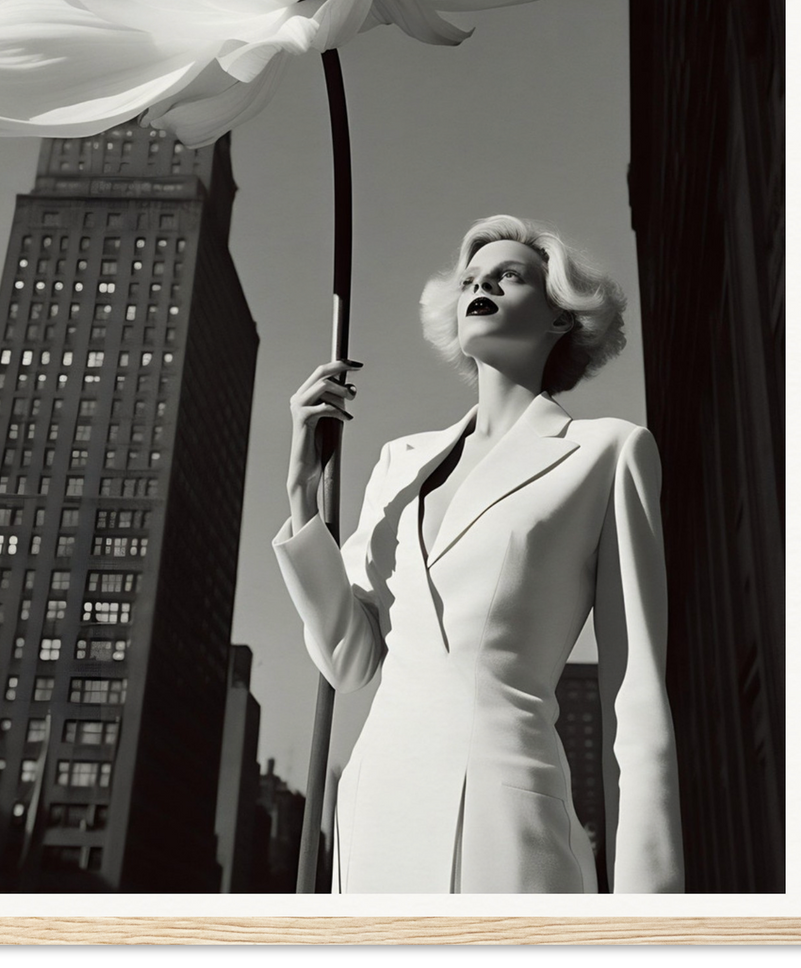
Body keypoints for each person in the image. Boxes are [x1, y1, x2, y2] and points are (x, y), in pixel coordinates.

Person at [272, 215, 683, 894]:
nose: (481, 285)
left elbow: (635, 695)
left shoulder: (609, 451)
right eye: (469, 279)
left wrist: (651, 909)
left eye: (507, 275)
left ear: (559, 316)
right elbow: (348, 661)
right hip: (376, 815)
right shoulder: (398, 462)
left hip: (507, 820)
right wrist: (300, 496)